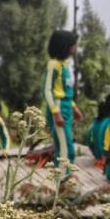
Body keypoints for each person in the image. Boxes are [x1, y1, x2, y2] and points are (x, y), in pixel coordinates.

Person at [43, 30, 83, 167]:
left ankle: (63, 179)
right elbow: (48, 91)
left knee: (64, 147)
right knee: (67, 150)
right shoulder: (53, 64)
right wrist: (56, 113)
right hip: (58, 108)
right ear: (64, 46)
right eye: (73, 45)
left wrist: (74, 108)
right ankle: (62, 180)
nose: (75, 49)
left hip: (67, 108)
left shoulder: (65, 65)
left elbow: (65, 91)